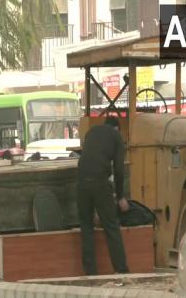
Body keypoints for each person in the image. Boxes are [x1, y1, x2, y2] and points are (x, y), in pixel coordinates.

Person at [77, 116, 130, 275]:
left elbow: (90, 158)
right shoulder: (116, 136)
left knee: (86, 227)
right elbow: (119, 170)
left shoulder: (91, 132)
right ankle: (121, 270)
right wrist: (120, 196)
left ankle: (90, 273)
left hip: (81, 182)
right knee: (111, 227)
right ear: (117, 128)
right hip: (100, 182)